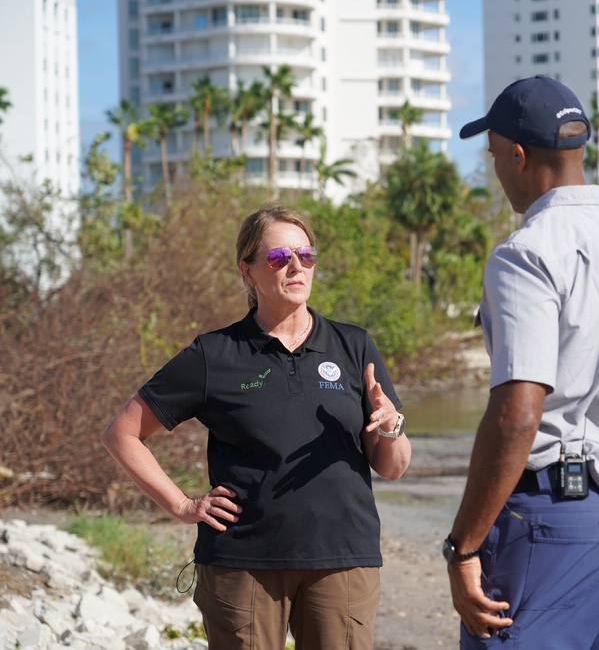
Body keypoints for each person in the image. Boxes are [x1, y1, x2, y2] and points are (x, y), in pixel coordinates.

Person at [443, 76, 599, 649]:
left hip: (558, 522)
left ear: (516, 155)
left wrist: (462, 547)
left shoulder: (525, 254)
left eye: (493, 158)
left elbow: (518, 411)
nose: (497, 172)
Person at [102, 203, 411, 650]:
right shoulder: (215, 354)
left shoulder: (353, 344)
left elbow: (394, 467)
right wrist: (182, 506)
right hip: (241, 564)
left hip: (343, 559)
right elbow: (122, 433)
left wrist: (389, 428)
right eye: (277, 258)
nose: (295, 267)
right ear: (248, 272)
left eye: (305, 256)